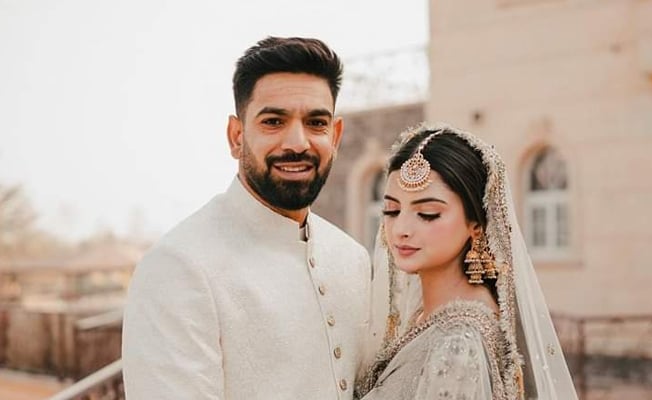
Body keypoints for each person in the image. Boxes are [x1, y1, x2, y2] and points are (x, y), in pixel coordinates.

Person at [122, 36, 375, 400]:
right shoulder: (179, 267)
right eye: (273, 121)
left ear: (335, 136)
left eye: (316, 122)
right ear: (236, 136)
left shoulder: (351, 258)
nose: (298, 143)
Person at [355, 122, 579, 399]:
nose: (401, 228)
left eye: (427, 213)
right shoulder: (429, 313)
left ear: (476, 225)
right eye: (391, 210)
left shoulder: (457, 345)